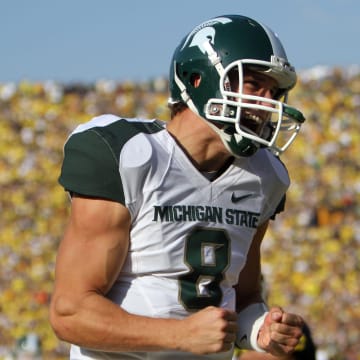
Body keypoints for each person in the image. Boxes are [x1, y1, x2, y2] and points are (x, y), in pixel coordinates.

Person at [50, 14, 306, 359]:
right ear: (199, 78)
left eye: (274, 91)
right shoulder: (129, 155)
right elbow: (71, 313)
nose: (267, 102)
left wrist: (260, 330)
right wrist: (179, 335)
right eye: (254, 84)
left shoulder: (265, 176)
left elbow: (242, 297)